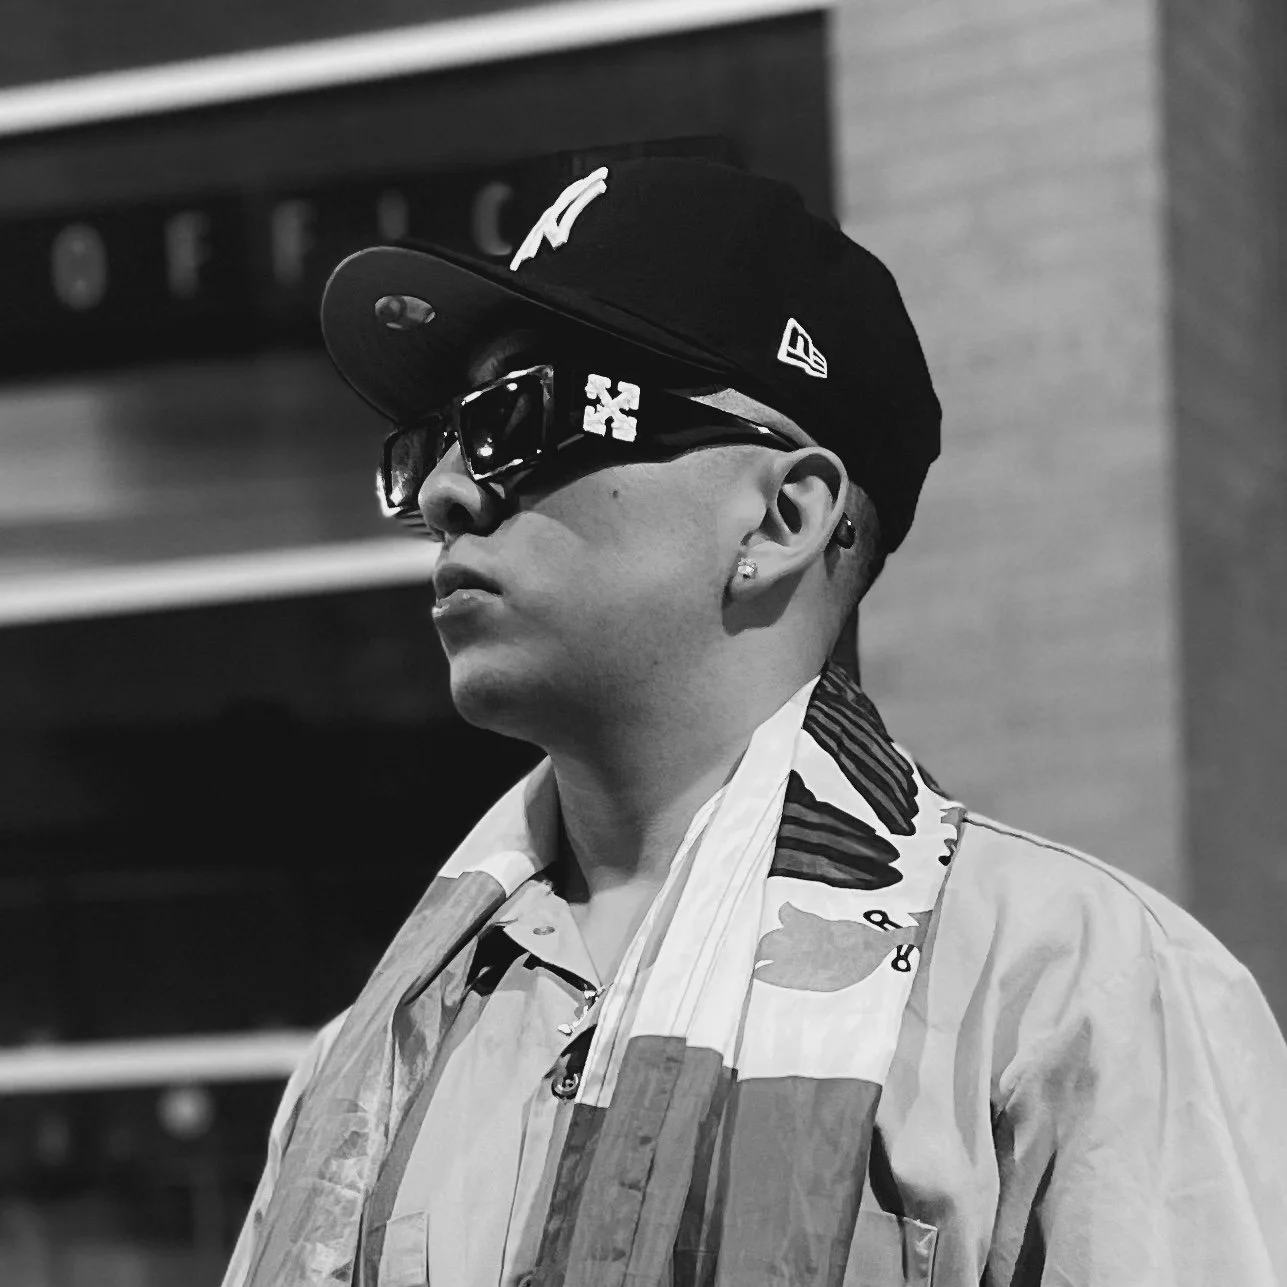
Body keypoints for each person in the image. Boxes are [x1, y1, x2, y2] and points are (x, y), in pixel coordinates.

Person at [224, 157, 1287, 1287]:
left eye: (519, 417)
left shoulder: (1072, 998)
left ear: (783, 515)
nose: (445, 489)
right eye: (435, 438)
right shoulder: (371, 1053)